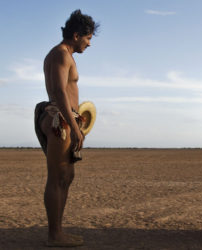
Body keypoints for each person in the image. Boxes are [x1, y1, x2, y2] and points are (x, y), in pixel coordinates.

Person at [34, 9, 99, 247]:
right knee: (56, 177)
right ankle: (55, 235)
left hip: (63, 118)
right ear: (76, 35)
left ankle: (58, 231)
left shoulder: (63, 54)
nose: (89, 44)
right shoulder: (61, 54)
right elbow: (61, 91)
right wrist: (74, 126)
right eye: (88, 38)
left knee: (66, 177)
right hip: (60, 121)